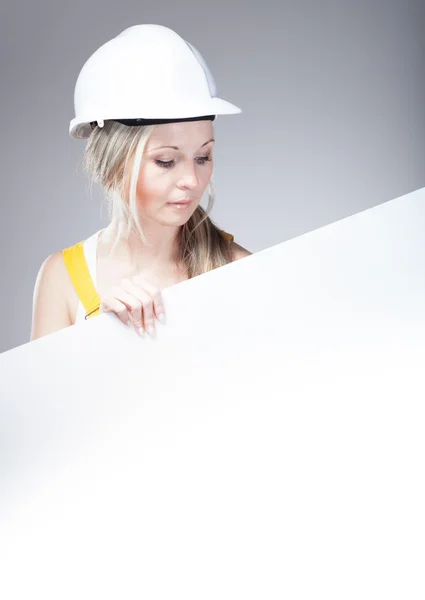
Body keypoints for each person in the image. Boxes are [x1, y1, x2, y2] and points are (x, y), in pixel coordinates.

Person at [31, 24, 251, 341]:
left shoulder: (239, 269)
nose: (191, 180)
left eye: (203, 157)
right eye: (165, 161)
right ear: (113, 162)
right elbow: (40, 391)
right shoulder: (63, 278)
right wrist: (100, 340)